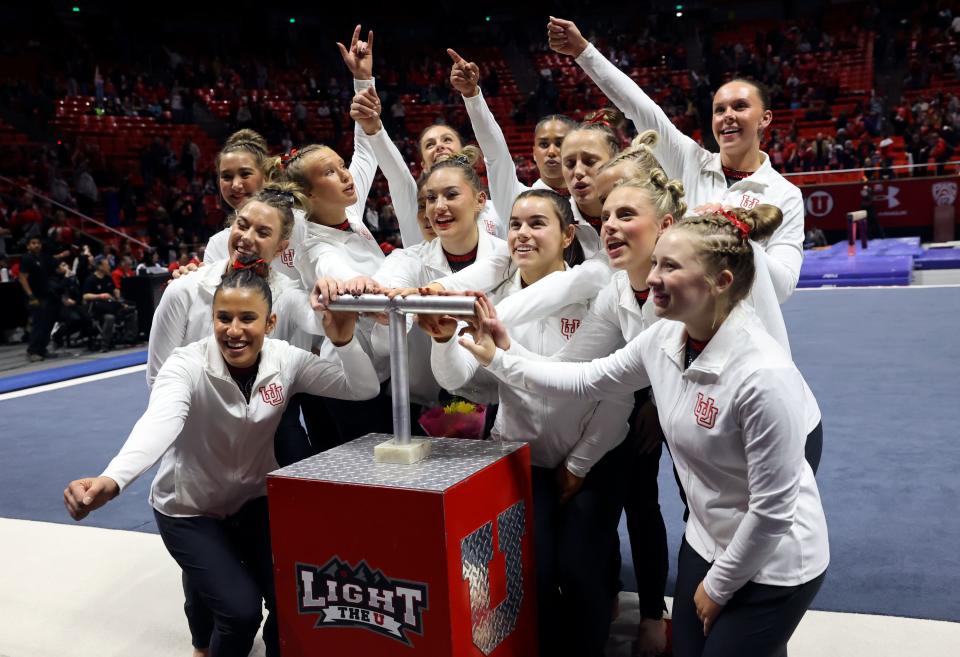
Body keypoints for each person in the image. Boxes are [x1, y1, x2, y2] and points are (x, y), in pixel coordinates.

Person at [462, 206, 829, 657]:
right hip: (707, 541)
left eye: (670, 267)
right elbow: (586, 378)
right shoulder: (665, 338)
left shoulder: (762, 376)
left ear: (722, 282)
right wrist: (499, 357)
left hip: (774, 562)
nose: (652, 277)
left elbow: (773, 511)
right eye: (655, 262)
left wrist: (719, 585)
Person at [63, 263, 380, 657]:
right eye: (223, 318)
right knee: (239, 612)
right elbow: (159, 424)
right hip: (190, 510)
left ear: (270, 322)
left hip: (252, 502)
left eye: (248, 318)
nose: (233, 330)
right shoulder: (186, 365)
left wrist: (344, 339)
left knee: (293, 596)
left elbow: (361, 388)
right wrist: (113, 479)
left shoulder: (286, 359)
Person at [429, 190, 631, 656]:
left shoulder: (597, 297)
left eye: (538, 223)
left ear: (567, 236)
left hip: (593, 457)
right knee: (530, 574)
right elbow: (458, 378)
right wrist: (443, 340)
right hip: (521, 458)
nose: (523, 233)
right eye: (515, 224)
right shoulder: (493, 300)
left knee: (580, 571)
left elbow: (617, 396)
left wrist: (579, 464)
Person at [548, 17, 805, 302]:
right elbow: (639, 107)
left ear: (765, 119)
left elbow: (782, 288)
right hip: (680, 323)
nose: (727, 115)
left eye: (740, 107)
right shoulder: (691, 162)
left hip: (744, 331)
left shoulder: (785, 195)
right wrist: (584, 52)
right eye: (719, 110)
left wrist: (733, 228)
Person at [19, 236, 62, 361]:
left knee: (48, 323)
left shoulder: (43, 257)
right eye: (33, 243)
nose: (36, 245)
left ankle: (42, 349)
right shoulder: (27, 259)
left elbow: (54, 267)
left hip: (46, 295)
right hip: (35, 297)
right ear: (28, 246)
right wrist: (30, 295)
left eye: (38, 243)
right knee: (39, 324)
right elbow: (22, 278)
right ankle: (32, 351)